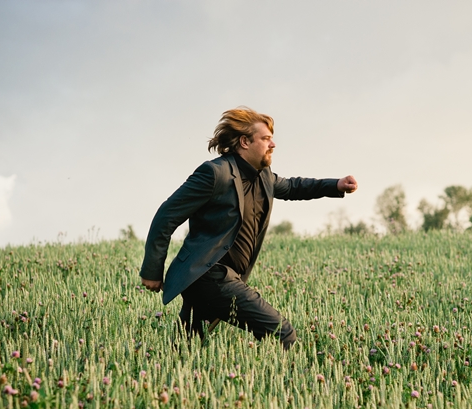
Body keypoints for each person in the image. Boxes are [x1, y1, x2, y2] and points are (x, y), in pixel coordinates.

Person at [140, 107, 357, 349]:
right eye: (265, 138)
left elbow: (294, 187)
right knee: (281, 333)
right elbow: (166, 216)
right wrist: (152, 270)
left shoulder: (264, 176)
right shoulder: (214, 173)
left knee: (186, 349)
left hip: (227, 277)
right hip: (209, 275)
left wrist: (336, 185)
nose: (273, 144)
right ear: (244, 141)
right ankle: (280, 383)